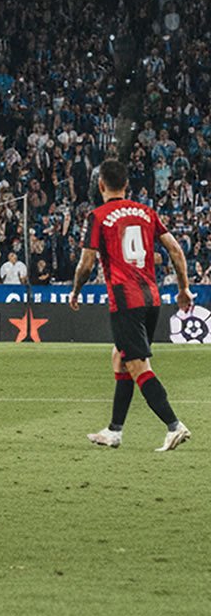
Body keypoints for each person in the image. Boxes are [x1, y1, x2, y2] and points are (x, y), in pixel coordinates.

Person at [70, 159, 192, 452]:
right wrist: (184, 288)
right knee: (120, 357)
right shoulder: (146, 212)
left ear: (101, 185)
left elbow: (86, 264)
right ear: (127, 185)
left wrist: (76, 290)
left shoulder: (97, 216)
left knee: (137, 365)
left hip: (126, 301)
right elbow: (175, 249)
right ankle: (114, 430)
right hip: (152, 298)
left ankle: (174, 425)